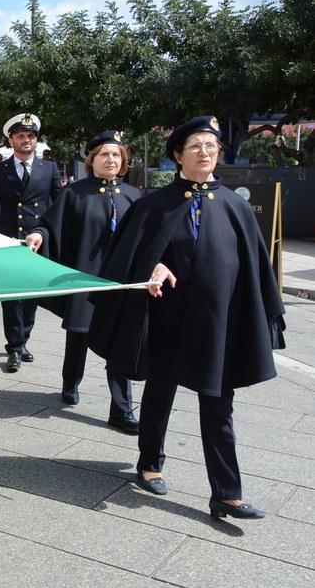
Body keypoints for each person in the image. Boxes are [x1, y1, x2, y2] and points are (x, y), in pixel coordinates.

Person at [89, 116, 286, 520]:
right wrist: (155, 267)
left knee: (218, 405)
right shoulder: (153, 205)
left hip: (217, 325)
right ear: (178, 154)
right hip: (166, 320)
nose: (205, 152)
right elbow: (130, 259)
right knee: (160, 395)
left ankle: (227, 493)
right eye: (196, 146)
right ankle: (149, 464)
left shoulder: (235, 206)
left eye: (212, 146)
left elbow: (254, 269)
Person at [24, 131, 142, 433]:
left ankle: (122, 409)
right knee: (78, 336)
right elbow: (50, 225)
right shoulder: (74, 193)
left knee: (119, 343)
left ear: (124, 161)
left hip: (120, 284)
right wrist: (39, 235)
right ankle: (70, 383)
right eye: (104, 154)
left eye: (116, 155)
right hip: (83, 278)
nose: (111, 160)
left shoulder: (133, 196)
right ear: (92, 160)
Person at [0, 113, 61, 372]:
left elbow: (59, 202)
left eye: (30, 136)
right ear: (11, 140)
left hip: (38, 241)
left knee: (31, 297)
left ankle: (24, 339)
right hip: (9, 239)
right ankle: (14, 347)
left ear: (36, 140)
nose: (26, 140)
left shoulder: (49, 168)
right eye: (21, 136)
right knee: (11, 298)